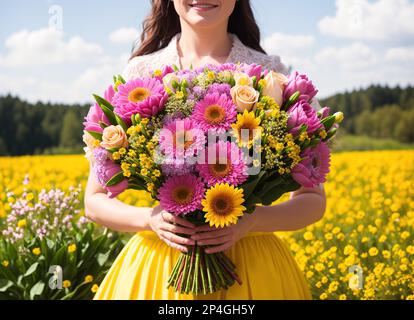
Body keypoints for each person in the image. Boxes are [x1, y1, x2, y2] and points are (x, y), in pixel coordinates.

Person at [86, 0, 325, 300]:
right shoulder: (139, 74)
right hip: (161, 268)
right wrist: (149, 219)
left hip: (252, 270)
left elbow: (313, 200)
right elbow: (94, 201)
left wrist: (254, 221)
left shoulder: (272, 76)